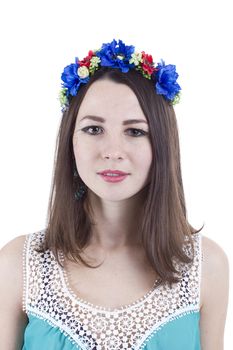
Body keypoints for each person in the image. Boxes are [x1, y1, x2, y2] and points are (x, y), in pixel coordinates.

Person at [0, 39, 229, 350]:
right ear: (71, 140)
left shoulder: (205, 266)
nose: (112, 152)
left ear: (161, 144)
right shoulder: (19, 265)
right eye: (94, 129)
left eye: (135, 131)